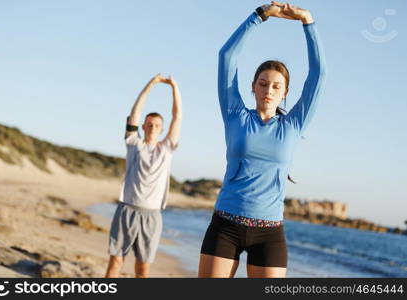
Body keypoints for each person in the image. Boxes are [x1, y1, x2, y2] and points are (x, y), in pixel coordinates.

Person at [198, 2, 327, 278]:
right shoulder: (235, 114)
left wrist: (308, 22)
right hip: (225, 226)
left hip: (269, 233)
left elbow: (318, 75)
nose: (269, 89)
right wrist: (258, 17)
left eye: (276, 86)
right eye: (263, 83)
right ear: (253, 86)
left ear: (285, 93)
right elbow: (226, 56)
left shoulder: (293, 123)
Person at [105, 74, 182, 278]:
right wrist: (152, 83)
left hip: (152, 215)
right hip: (127, 211)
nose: (152, 128)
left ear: (162, 129)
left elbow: (177, 117)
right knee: (116, 261)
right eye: (149, 124)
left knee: (143, 268)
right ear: (143, 127)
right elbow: (135, 111)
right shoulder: (134, 144)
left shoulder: (166, 149)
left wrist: (174, 87)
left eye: (157, 125)